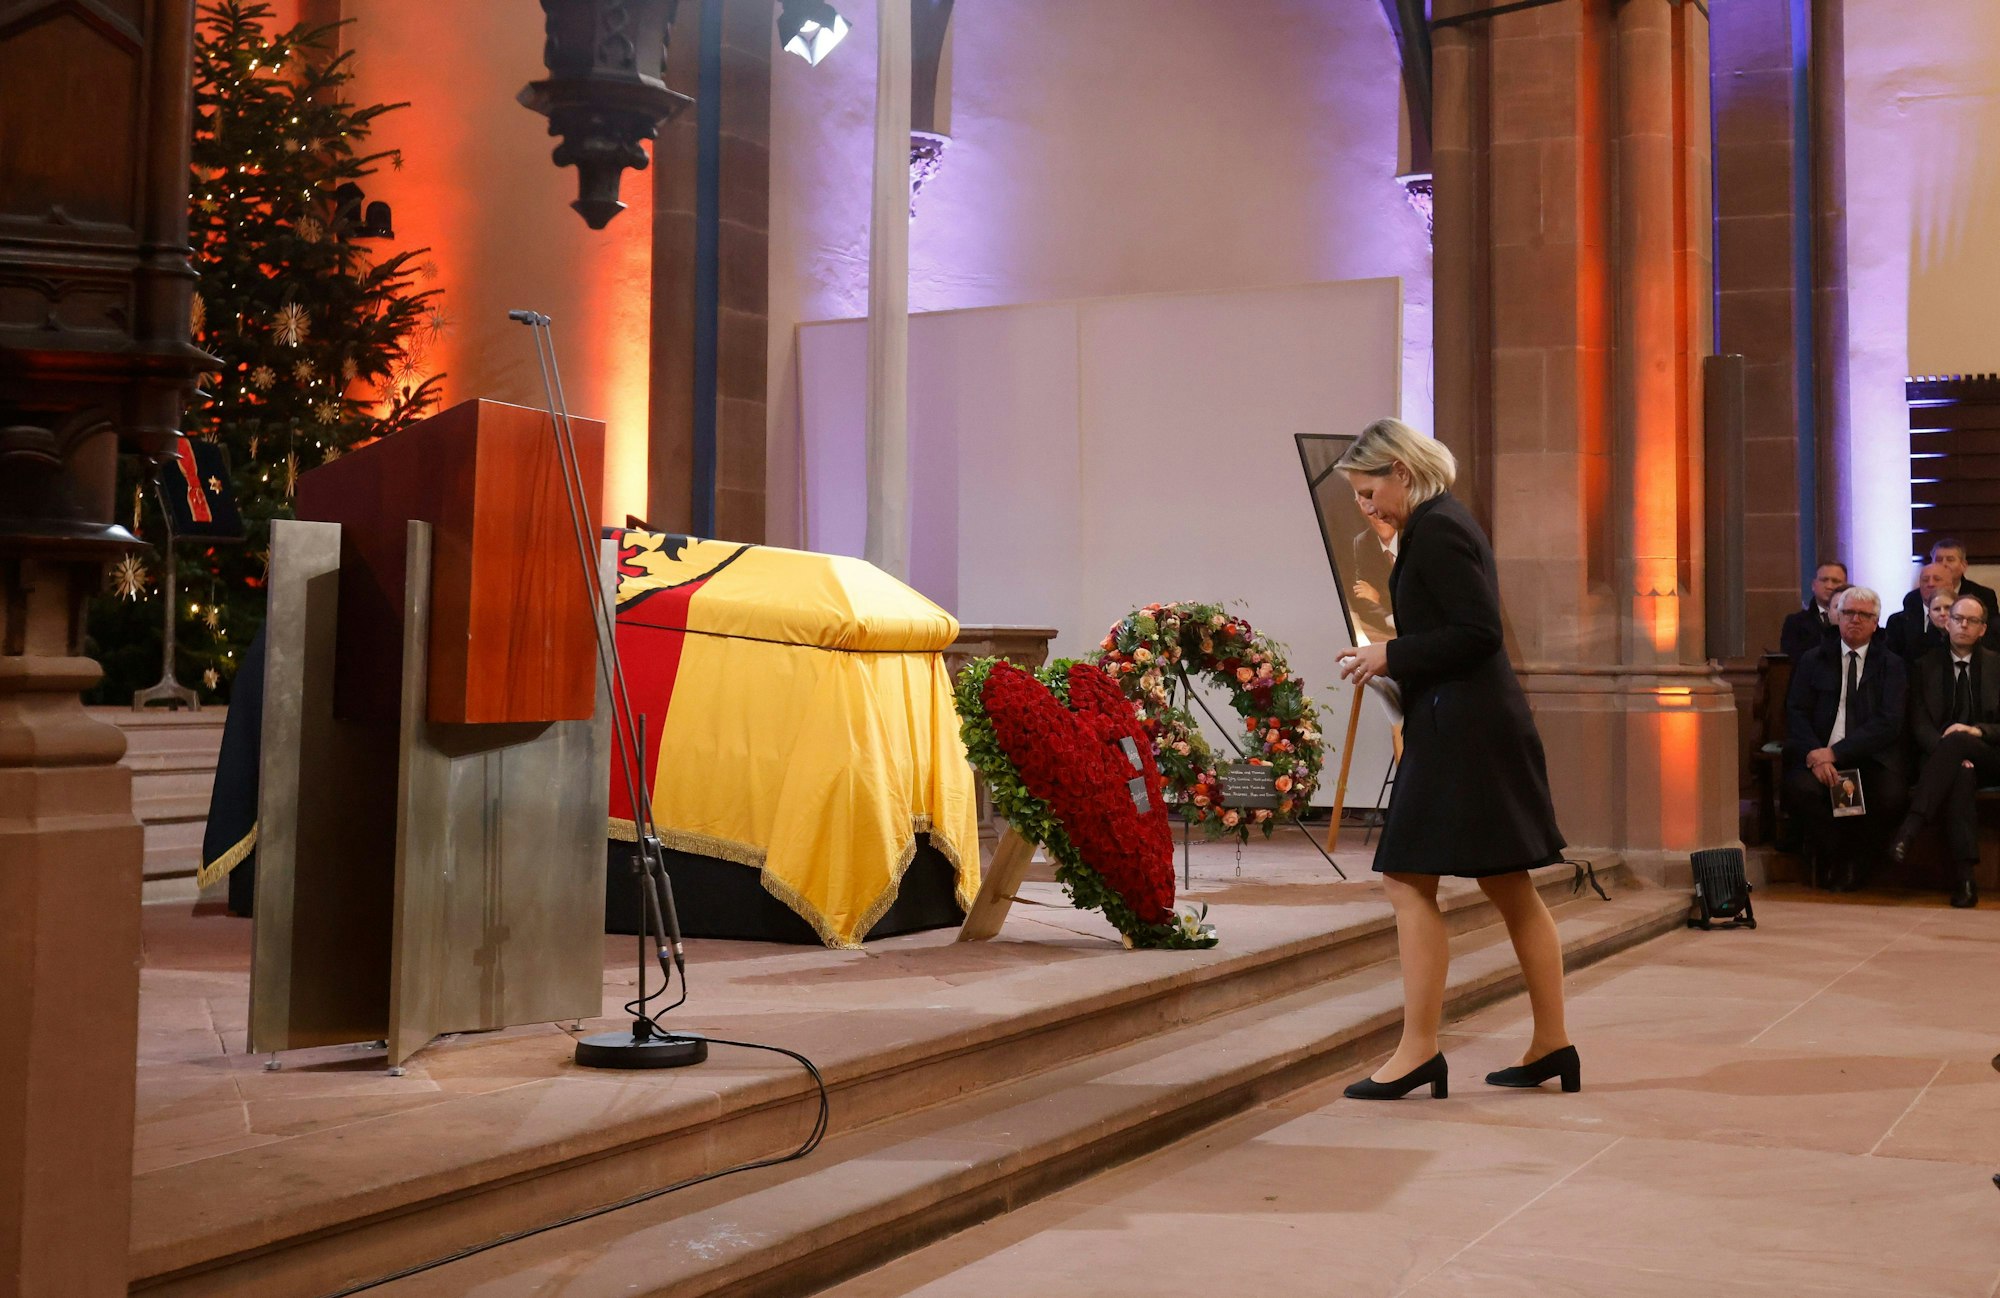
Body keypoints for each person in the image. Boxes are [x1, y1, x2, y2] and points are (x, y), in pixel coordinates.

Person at [1332, 418, 1574, 1101]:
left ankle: (1418, 1052)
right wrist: (1392, 667)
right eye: (1356, 496)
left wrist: (1392, 654)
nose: (1366, 505)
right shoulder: (1440, 522)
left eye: (1369, 489)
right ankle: (1551, 1042)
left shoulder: (1436, 528)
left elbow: (1476, 631)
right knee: (1507, 884)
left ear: (1401, 473)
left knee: (1407, 880)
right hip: (1474, 725)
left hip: (1461, 734)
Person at [1782, 586, 1910, 891]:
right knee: (1800, 789)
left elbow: (1888, 723)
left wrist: (1836, 754)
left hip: (1870, 756)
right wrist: (1815, 754)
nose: (1855, 619)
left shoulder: (1891, 665)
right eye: (1848, 612)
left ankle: (1854, 860)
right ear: (1837, 617)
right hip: (1817, 754)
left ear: (1876, 622)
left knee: (1890, 797)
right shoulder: (1813, 659)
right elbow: (1796, 710)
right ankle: (1840, 857)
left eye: (1864, 615)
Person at [1890, 595, 2000, 907]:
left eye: (1972, 621)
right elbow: (1919, 723)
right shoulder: (1925, 666)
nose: (1964, 625)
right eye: (1958, 618)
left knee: (1960, 742)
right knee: (1961, 777)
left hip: (1992, 755)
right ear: (1946, 623)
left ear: (1981, 630)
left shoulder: (1998, 665)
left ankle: (1909, 829)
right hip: (1945, 760)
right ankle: (1965, 881)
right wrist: (1950, 756)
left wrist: (1975, 732)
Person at [1899, 538, 1998, 633]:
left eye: (1950, 560)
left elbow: (1992, 634)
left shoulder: (1983, 595)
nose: (1944, 564)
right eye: (1938, 559)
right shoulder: (1913, 598)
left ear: (1963, 565)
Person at [1883, 562, 1956, 662]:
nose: (1930, 584)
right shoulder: (1898, 622)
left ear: (1950, 586)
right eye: (1925, 580)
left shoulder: (1964, 618)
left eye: (1937, 579)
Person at [1781, 561, 1847, 660]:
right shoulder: (1795, 623)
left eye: (1835, 581)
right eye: (1824, 580)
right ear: (1813, 585)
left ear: (1845, 586)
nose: (1829, 586)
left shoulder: (1857, 618)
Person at [1349, 512, 1398, 644]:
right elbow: (1362, 597)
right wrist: (1391, 619)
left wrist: (1378, 598)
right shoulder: (1362, 542)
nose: (1377, 514)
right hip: (1391, 635)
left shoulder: (1415, 534)